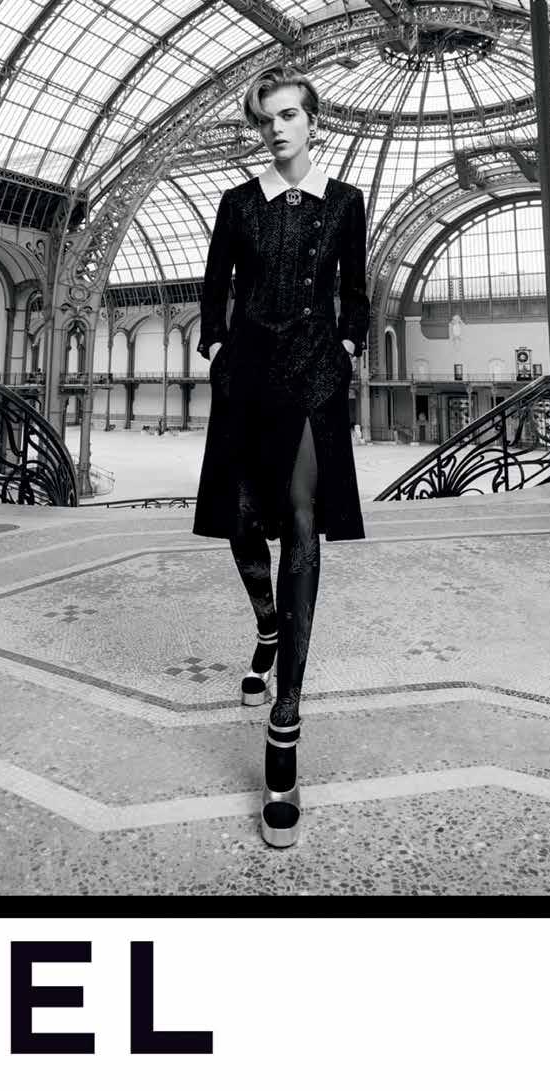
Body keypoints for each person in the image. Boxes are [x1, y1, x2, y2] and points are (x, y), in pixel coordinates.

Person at [192, 65, 369, 847]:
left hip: (312, 372)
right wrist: (217, 346)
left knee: (300, 518)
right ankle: (267, 625)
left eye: (289, 114)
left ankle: (285, 724)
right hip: (247, 371)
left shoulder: (346, 201)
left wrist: (349, 343)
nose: (277, 128)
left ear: (313, 121)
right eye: (266, 118)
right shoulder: (238, 203)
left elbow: (355, 291)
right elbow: (214, 289)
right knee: (240, 522)